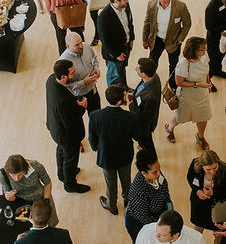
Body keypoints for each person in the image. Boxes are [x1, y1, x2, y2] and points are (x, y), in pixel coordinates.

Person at [89, 84, 142, 215]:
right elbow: (136, 135)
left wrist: (96, 148)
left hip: (106, 156)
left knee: (110, 182)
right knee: (126, 180)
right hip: (125, 155)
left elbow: (92, 137)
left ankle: (111, 204)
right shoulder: (130, 117)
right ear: (119, 101)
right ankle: (128, 201)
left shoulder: (95, 116)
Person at [46, 60, 91, 194]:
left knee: (61, 150)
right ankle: (70, 184)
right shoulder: (63, 101)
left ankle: (62, 174)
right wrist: (82, 107)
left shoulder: (50, 79)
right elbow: (70, 122)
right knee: (71, 158)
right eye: (72, 73)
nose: (75, 73)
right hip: (67, 135)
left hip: (55, 127)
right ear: (63, 77)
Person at [124, 149, 173, 244]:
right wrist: (161, 227)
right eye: (154, 172)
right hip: (138, 222)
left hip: (155, 215)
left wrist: (169, 207)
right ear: (143, 173)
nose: (159, 173)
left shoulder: (156, 175)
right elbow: (144, 217)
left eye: (159, 169)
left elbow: (165, 190)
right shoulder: (138, 191)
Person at [163, 37, 213, 150]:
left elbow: (206, 70)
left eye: (204, 48)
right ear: (192, 50)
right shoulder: (183, 63)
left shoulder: (204, 56)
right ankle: (169, 129)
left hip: (202, 94)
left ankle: (200, 137)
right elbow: (179, 82)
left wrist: (208, 82)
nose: (204, 51)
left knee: (203, 117)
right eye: (201, 50)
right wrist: (198, 84)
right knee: (180, 117)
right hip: (187, 95)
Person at [142, 0, 191, 89]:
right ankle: (148, 83)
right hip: (156, 40)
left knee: (173, 64)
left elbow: (187, 24)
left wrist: (180, 40)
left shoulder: (180, 6)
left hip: (173, 41)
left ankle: (173, 85)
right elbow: (147, 23)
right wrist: (144, 39)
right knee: (152, 62)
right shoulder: (151, 4)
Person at [0, 154, 59, 227]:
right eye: (13, 175)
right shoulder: (2, 174)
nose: (16, 179)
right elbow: (7, 192)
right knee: (27, 228)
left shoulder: (36, 166)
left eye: (20, 174)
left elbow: (47, 183)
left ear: (25, 169)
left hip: (41, 199)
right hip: (21, 203)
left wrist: (46, 201)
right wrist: (9, 196)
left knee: (49, 223)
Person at [185, 150, 226, 232]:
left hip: (218, 207)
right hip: (199, 204)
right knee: (197, 229)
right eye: (208, 169)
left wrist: (214, 193)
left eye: (215, 167)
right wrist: (197, 191)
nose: (212, 172)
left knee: (218, 233)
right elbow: (190, 177)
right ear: (202, 166)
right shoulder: (195, 164)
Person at [97, 0, 134, 86]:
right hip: (113, 53)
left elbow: (130, 22)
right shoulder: (103, 17)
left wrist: (131, 39)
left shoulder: (125, 6)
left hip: (125, 46)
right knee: (113, 75)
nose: (127, 1)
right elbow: (105, 40)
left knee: (121, 69)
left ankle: (124, 88)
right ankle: (114, 95)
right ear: (116, 1)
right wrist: (117, 54)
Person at [59, 31, 102, 112]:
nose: (81, 46)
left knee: (96, 114)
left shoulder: (86, 46)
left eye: (81, 42)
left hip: (93, 89)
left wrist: (96, 68)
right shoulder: (63, 61)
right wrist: (84, 82)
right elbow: (66, 86)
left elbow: (94, 58)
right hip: (78, 96)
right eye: (76, 45)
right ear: (67, 46)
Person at [128, 57, 161, 153]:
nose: (135, 69)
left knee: (146, 142)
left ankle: (149, 154)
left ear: (143, 74)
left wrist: (131, 106)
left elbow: (144, 118)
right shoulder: (153, 76)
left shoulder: (151, 97)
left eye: (137, 68)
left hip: (144, 126)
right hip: (141, 109)